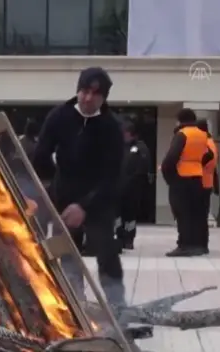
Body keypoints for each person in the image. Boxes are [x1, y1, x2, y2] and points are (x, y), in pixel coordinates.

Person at [32, 66, 126, 308]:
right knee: (67, 255)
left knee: (106, 253)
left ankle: (117, 307)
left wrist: (84, 206)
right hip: (64, 199)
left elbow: (112, 176)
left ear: (104, 97)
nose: (87, 98)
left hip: (98, 200)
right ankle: (75, 305)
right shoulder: (59, 116)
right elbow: (41, 156)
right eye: (84, 91)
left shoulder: (111, 127)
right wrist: (53, 190)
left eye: (95, 94)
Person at [161, 109, 210, 257]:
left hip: (181, 178)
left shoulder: (182, 134)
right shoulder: (202, 135)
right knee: (195, 213)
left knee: (182, 213)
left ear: (180, 120)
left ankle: (184, 245)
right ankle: (196, 245)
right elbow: (209, 154)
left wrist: (169, 177)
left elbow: (171, 158)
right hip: (197, 177)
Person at [116, 119, 151, 251]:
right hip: (118, 188)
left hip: (133, 189)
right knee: (117, 216)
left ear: (131, 133)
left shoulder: (140, 148)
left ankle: (128, 239)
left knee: (130, 217)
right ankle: (119, 238)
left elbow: (142, 168)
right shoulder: (119, 147)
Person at [196, 118, 219, 254]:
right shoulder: (211, 142)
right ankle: (202, 243)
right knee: (201, 216)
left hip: (201, 182)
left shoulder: (205, 143)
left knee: (199, 216)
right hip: (207, 182)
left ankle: (201, 244)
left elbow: (206, 159)